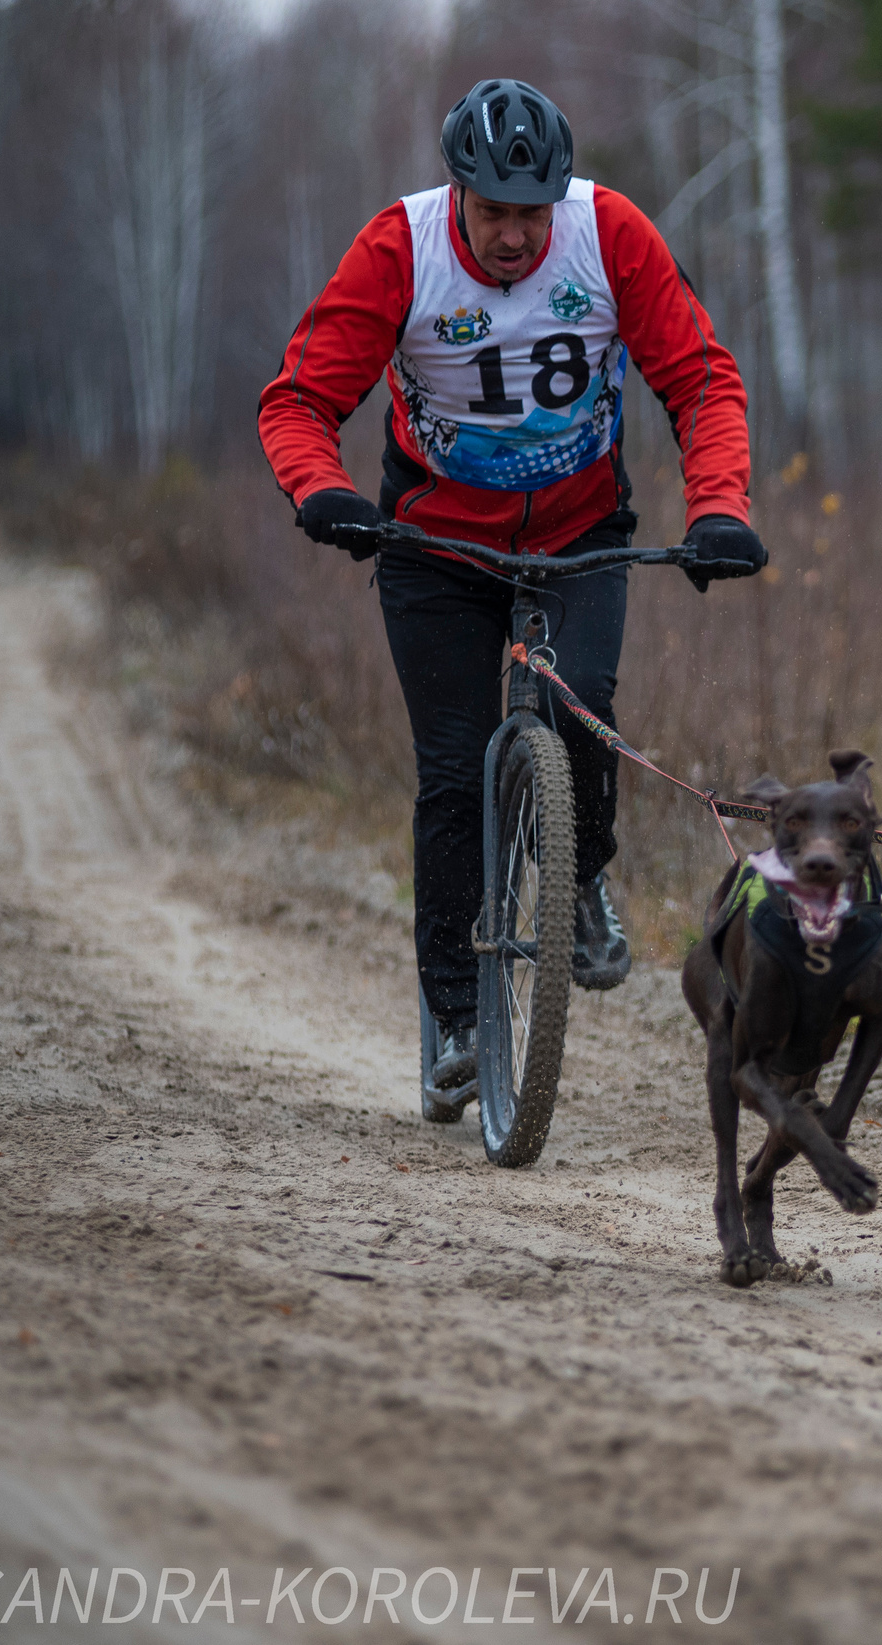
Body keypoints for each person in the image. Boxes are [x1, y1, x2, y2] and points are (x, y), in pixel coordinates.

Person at [257, 78, 768, 1101]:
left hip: (579, 531)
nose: (512, 236)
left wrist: (719, 507)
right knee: (451, 772)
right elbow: (303, 397)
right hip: (434, 545)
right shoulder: (399, 247)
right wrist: (324, 490)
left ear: (559, 198)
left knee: (583, 718)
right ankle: (454, 1013)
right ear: (459, 194)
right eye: (492, 213)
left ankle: (576, 878)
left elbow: (700, 377)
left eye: (532, 213)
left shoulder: (608, 233)